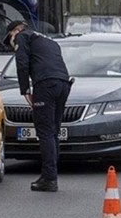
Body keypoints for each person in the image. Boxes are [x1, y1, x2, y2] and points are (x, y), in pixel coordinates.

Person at [4, 20, 72, 192]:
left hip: (45, 85)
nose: (11, 42)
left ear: (16, 30)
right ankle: (50, 174)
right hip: (63, 83)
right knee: (53, 131)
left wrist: (25, 90)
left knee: (45, 131)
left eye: (10, 37)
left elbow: (22, 63)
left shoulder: (22, 36)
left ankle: (49, 178)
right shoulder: (49, 40)